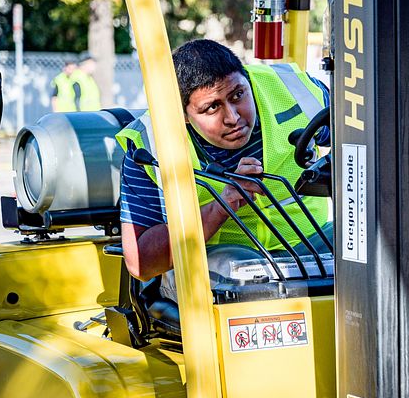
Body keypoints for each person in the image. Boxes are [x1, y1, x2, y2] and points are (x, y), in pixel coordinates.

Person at [117, 39, 331, 301]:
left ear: (247, 80)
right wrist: (222, 205)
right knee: (242, 277)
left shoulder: (296, 90)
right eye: (212, 108)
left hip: (312, 244)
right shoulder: (148, 146)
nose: (233, 118)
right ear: (181, 114)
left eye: (237, 95)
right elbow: (141, 264)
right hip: (225, 264)